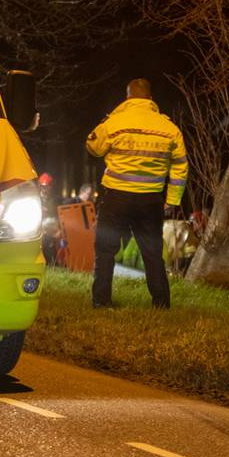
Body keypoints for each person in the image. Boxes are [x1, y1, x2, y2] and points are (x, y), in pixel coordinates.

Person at [86, 78, 187, 309]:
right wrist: (172, 200)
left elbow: (93, 147)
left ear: (128, 97)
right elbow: (180, 167)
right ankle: (161, 304)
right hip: (150, 200)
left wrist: (110, 119)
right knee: (152, 253)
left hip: (116, 197)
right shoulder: (169, 128)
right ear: (150, 99)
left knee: (106, 250)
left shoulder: (115, 122)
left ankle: (101, 302)